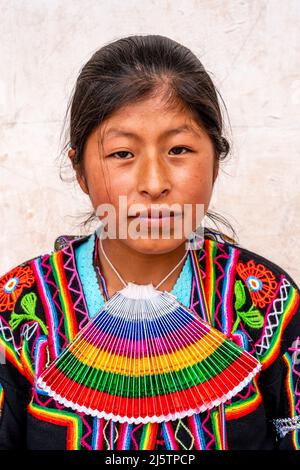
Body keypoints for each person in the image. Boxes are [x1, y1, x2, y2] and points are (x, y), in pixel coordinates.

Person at [0, 34, 299, 451]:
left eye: (179, 149)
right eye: (122, 153)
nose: (155, 184)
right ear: (80, 170)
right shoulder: (18, 310)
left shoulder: (264, 299)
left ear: (215, 161)